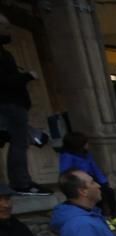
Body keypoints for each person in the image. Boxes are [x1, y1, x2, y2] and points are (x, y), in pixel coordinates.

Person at [0, 13, 49, 195]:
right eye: (5, 27)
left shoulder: (5, 53)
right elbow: (5, 82)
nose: (9, 31)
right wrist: (27, 76)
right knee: (19, 143)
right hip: (8, 104)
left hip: (12, 104)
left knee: (18, 142)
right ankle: (21, 182)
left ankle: (21, 181)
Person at [59, 131, 116, 225]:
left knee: (109, 192)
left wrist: (103, 181)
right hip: (80, 182)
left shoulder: (86, 153)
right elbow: (65, 174)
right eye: (86, 142)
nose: (88, 144)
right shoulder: (67, 156)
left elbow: (94, 167)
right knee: (95, 199)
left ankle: (114, 216)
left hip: (92, 178)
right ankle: (103, 218)